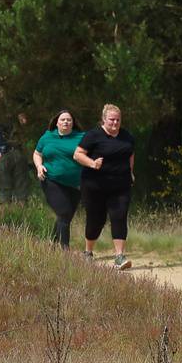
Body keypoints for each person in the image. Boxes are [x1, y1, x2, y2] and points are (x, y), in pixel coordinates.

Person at [73, 103, 135, 269]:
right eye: (111, 120)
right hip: (95, 185)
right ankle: (88, 252)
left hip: (120, 185)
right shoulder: (93, 136)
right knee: (96, 220)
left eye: (118, 120)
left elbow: (130, 154)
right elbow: (77, 154)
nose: (115, 123)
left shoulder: (127, 136)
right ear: (103, 119)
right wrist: (92, 163)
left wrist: (131, 172)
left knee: (119, 216)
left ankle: (119, 257)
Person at [32, 110, 85, 246]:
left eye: (69, 120)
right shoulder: (47, 136)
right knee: (64, 212)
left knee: (65, 216)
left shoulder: (81, 137)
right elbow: (37, 153)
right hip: (51, 180)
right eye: (62, 120)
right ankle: (65, 251)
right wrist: (39, 166)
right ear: (56, 123)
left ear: (73, 123)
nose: (66, 122)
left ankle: (52, 243)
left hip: (75, 184)